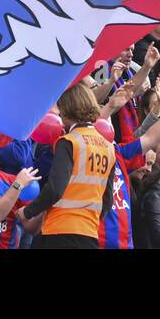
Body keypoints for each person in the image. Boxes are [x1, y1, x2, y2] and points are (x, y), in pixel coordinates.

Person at [20, 82, 117, 249]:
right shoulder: (108, 147)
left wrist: (27, 212)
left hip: (60, 230)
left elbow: (55, 189)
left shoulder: (69, 141)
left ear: (66, 109)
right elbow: (107, 200)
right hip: (89, 232)